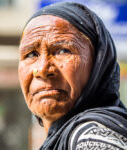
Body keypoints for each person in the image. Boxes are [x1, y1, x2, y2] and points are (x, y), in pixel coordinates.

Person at [18, 2, 127, 149]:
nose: (42, 69)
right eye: (31, 54)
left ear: (99, 64)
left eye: (63, 51)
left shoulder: (92, 137)